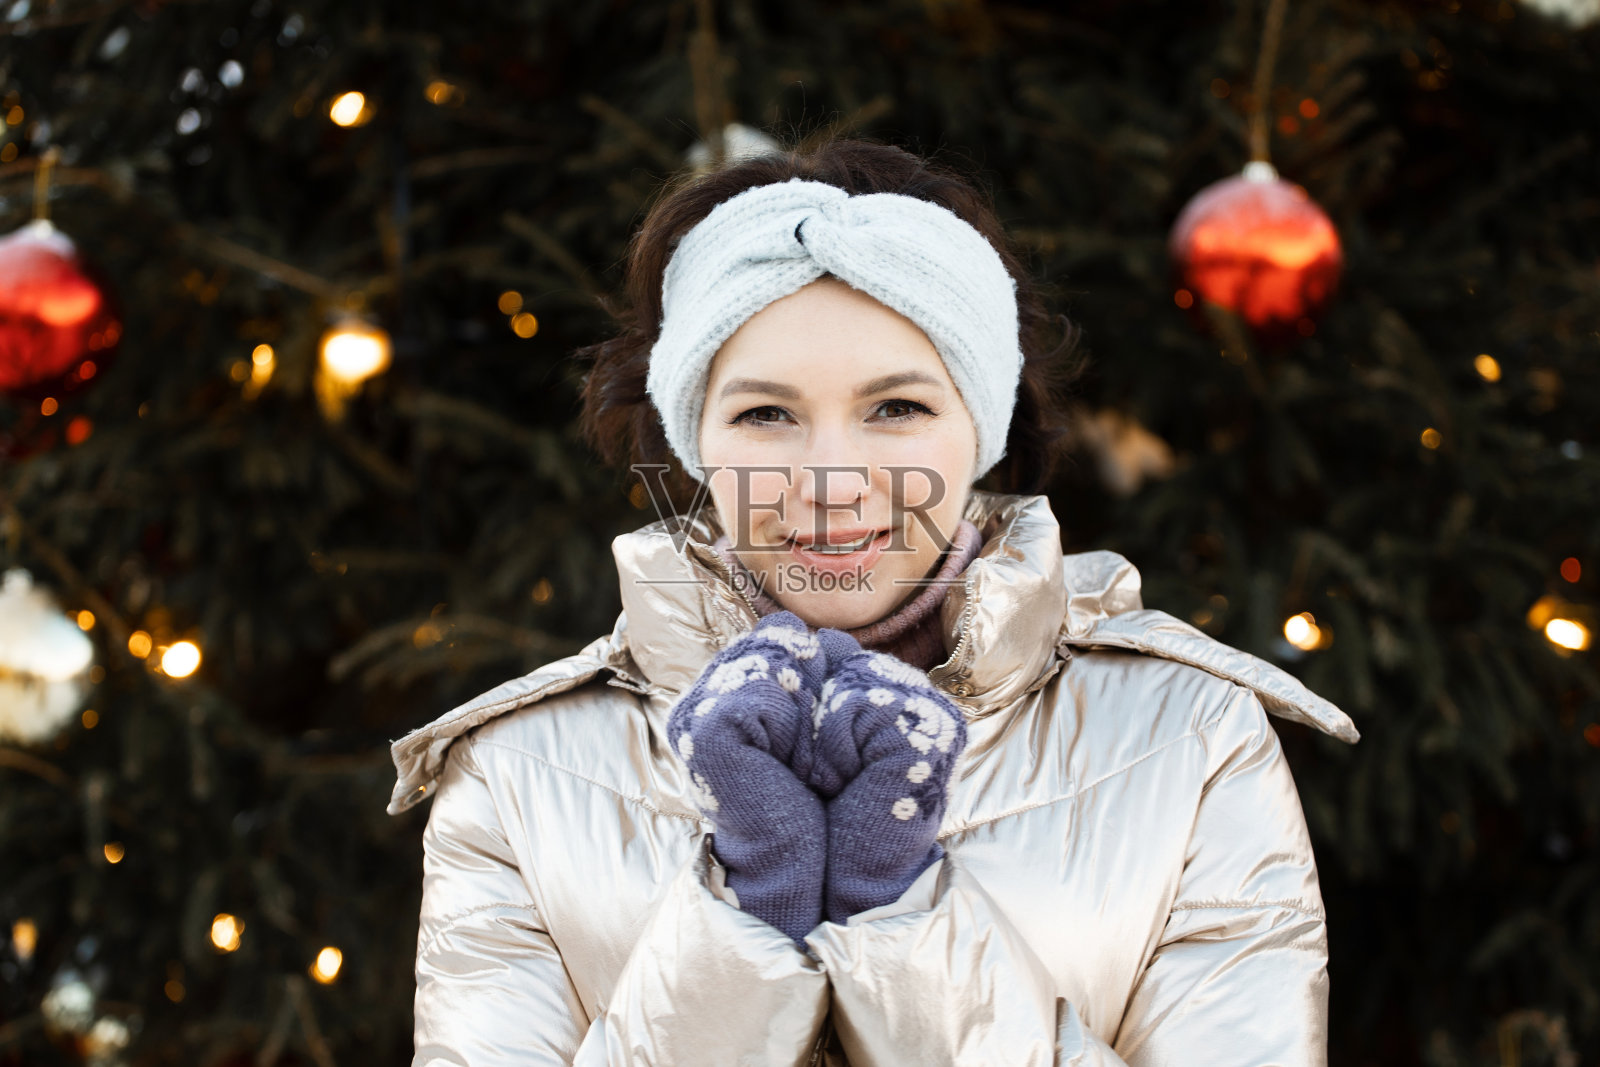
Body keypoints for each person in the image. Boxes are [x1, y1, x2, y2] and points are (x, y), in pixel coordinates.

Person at [387, 140, 1360, 1066]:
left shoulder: (1189, 738)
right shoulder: (519, 769)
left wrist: (904, 920)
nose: (832, 479)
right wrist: (746, 917)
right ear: (695, 442)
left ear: (977, 426)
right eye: (766, 413)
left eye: (896, 407)